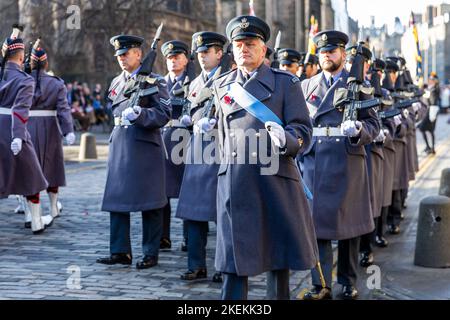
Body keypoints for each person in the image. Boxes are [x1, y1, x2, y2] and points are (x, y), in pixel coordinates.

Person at [208, 15, 319, 300]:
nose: (244, 49)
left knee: (276, 255)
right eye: (238, 44)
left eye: (250, 43)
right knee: (233, 258)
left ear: (263, 48)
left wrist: (288, 139)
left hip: (273, 179)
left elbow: (303, 128)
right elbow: (221, 134)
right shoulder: (222, 85)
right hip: (235, 180)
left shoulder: (286, 83)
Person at [301, 32, 379, 300]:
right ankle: (320, 284)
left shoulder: (358, 83)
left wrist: (358, 128)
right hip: (315, 162)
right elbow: (299, 124)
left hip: (346, 161)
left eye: (332, 51)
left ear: (343, 54)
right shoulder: (306, 86)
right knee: (316, 228)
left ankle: (347, 281)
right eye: (323, 51)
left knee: (348, 229)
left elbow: (374, 124)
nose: (327, 55)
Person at [96, 34, 171, 269]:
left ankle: (150, 252)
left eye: (126, 54)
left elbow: (164, 114)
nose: (121, 58)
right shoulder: (116, 82)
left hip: (145, 145)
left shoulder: (155, 81)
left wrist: (141, 115)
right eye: (118, 55)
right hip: (120, 143)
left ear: (139, 54)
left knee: (151, 202)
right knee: (117, 199)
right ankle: (120, 251)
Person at [175, 31, 228, 283]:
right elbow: (189, 112)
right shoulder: (195, 84)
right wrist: (189, 121)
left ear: (219, 53)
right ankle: (196, 265)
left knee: (222, 214)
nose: (202, 56)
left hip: (222, 151)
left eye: (207, 51)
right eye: (199, 52)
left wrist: (216, 123)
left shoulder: (231, 81)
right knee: (194, 212)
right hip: (197, 150)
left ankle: (223, 265)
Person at [0, 26, 53, 234]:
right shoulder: (25, 80)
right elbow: (20, 110)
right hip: (12, 130)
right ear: (22, 57)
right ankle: (37, 221)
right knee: (32, 176)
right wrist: (18, 136)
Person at [27, 45, 75, 223]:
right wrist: (68, 130)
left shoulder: (23, 81)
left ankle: (32, 216)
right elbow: (63, 109)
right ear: (46, 63)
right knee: (52, 169)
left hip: (28, 127)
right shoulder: (56, 83)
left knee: (30, 171)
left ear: (31, 63)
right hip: (51, 128)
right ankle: (54, 206)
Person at [160, 40, 191, 251]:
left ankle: (190, 238)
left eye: (177, 57)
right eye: (170, 58)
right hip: (163, 139)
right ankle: (162, 237)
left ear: (186, 59)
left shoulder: (194, 82)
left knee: (190, 192)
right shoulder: (159, 83)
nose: (173, 61)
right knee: (162, 193)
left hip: (186, 140)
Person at [418, 72, 440, 154]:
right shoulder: (430, 88)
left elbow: (431, 99)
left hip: (433, 110)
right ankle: (429, 147)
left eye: (431, 79)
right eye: (429, 79)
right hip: (429, 110)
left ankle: (432, 148)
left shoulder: (435, 88)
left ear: (435, 81)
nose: (430, 81)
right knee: (423, 129)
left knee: (430, 130)